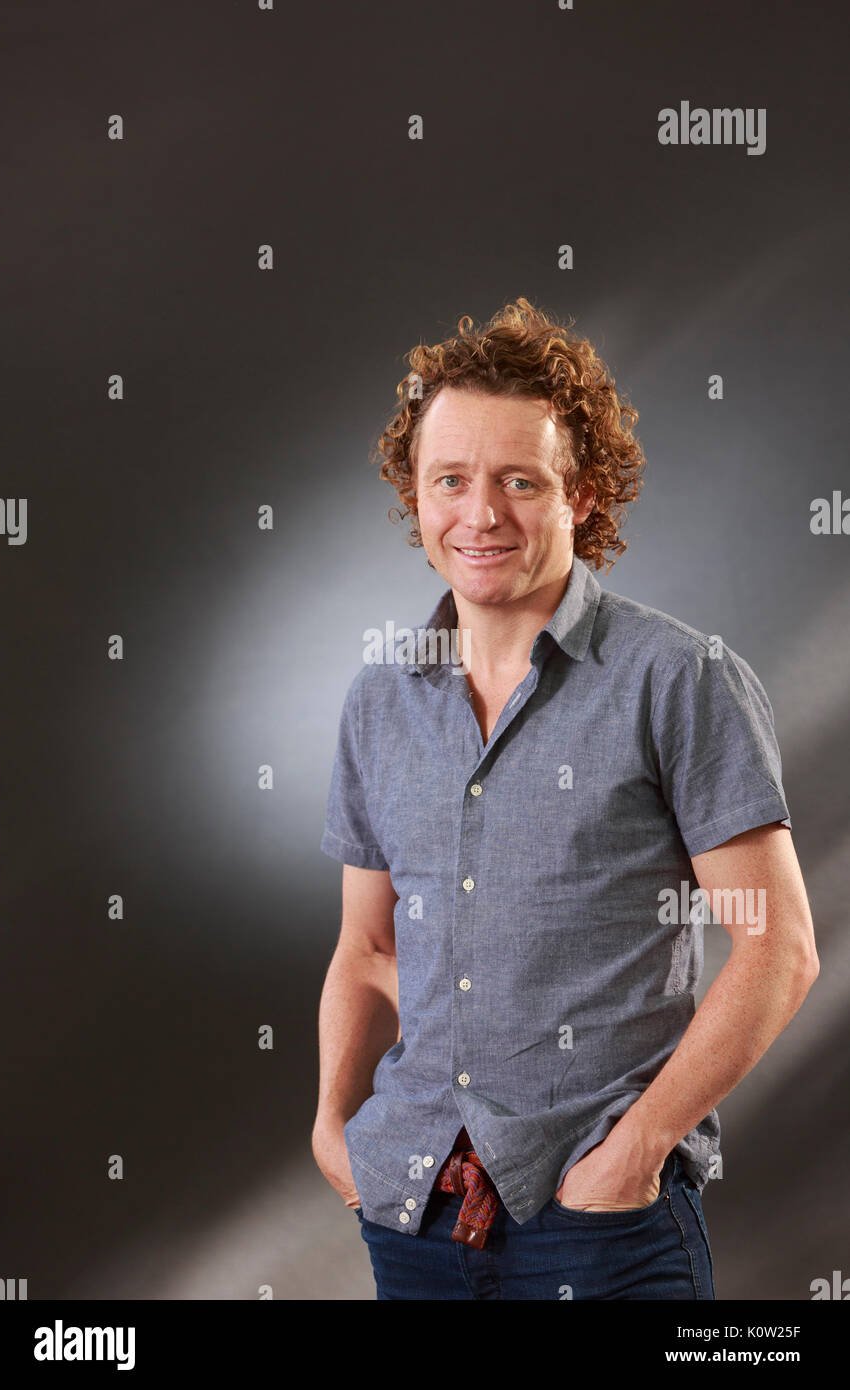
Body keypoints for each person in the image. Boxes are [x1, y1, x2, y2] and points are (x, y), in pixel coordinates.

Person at [312, 298, 818, 1300]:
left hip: (599, 1227)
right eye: (448, 480)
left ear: (579, 494)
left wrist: (633, 1155)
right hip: (411, 1214)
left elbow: (777, 947)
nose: (480, 513)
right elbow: (369, 949)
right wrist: (333, 1128)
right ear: (412, 496)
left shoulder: (678, 679)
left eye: (519, 481)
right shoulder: (378, 699)